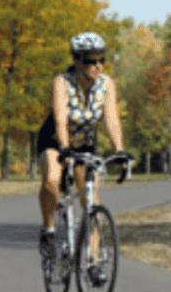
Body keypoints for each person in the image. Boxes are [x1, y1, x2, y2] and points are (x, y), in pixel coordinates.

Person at [36, 31, 130, 259]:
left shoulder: (107, 84)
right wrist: (65, 150)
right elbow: (60, 117)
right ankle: (48, 229)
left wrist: (120, 150)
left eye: (101, 60)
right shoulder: (62, 82)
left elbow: (111, 118)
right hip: (56, 140)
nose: (98, 66)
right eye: (91, 61)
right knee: (52, 180)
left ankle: (93, 260)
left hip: (85, 143)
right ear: (77, 61)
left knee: (90, 201)